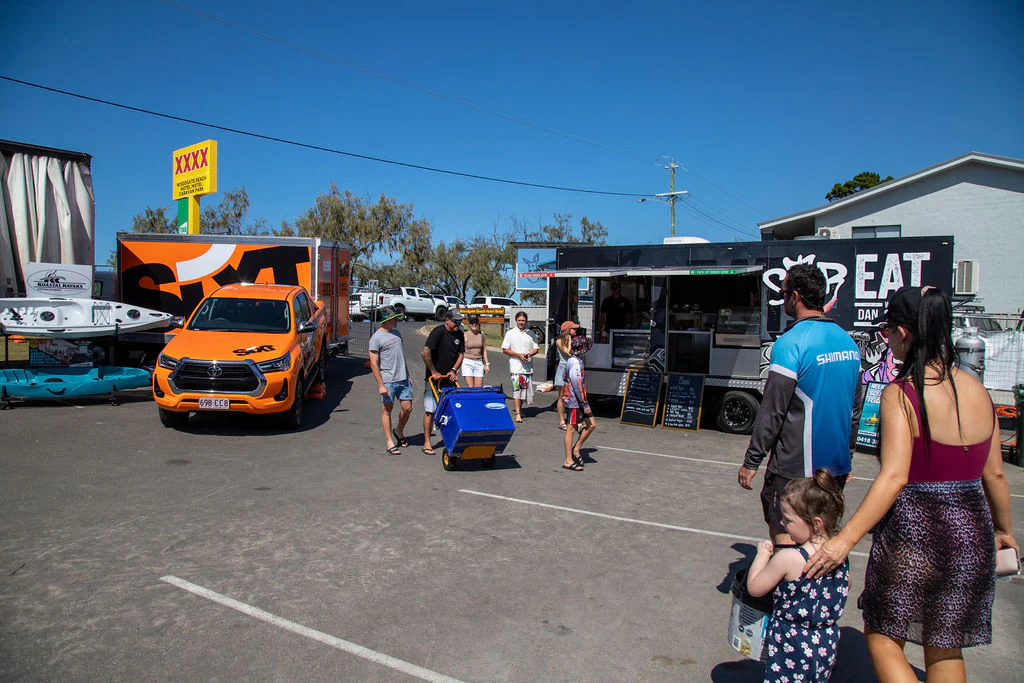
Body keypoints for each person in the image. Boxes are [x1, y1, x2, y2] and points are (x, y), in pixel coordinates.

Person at [804, 286, 1019, 683]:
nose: (886, 340)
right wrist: (1004, 530)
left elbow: (894, 476)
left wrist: (844, 540)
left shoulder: (900, 394)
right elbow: (995, 474)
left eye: (887, 331)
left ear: (903, 333)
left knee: (883, 636)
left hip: (915, 536)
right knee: (945, 645)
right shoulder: (978, 391)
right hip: (971, 535)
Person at [737, 263, 861, 547]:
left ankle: (786, 575)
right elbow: (854, 411)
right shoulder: (848, 343)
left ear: (795, 296)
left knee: (785, 535)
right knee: (821, 539)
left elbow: (773, 410)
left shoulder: (791, 343)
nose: (783, 300)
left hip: (795, 469)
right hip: (834, 469)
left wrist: (752, 461)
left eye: (783, 294)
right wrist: (848, 456)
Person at [746, 469, 850, 683]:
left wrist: (762, 555)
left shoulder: (790, 558)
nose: (782, 524)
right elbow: (846, 584)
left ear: (816, 523)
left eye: (788, 520)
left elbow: (755, 587)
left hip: (791, 642)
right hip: (825, 642)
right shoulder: (839, 556)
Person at [368, 306, 413, 455]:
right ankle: (389, 442)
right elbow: (374, 363)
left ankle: (398, 430)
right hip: (388, 381)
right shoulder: (376, 338)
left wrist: (408, 375)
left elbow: (401, 356)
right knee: (387, 410)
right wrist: (381, 385)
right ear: (387, 320)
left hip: (403, 379)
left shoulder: (397, 333)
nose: (397, 320)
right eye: (394, 318)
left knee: (407, 408)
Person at [421, 309, 465, 455]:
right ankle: (427, 442)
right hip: (434, 379)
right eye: (456, 321)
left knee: (452, 409)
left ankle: (452, 438)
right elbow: (425, 352)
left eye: (460, 321)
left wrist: (454, 370)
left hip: (449, 378)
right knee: (430, 410)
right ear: (447, 320)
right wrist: (433, 371)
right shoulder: (438, 332)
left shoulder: (459, 334)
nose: (458, 324)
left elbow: (460, 354)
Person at [561, 334, 596, 471]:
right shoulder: (575, 362)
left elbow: (565, 376)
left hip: (578, 400)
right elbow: (577, 384)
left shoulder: (574, 360)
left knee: (591, 425)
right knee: (571, 429)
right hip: (575, 401)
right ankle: (568, 460)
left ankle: (576, 449)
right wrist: (584, 404)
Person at [501, 311, 539, 423]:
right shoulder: (510, 333)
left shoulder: (531, 334)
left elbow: (536, 348)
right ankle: (518, 414)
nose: (521, 322)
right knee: (517, 389)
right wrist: (518, 355)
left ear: (526, 321)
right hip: (515, 367)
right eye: (519, 320)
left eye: (523, 320)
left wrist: (529, 354)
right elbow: (505, 349)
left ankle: (520, 409)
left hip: (527, 368)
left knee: (523, 391)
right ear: (516, 321)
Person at [554, 320, 579, 430]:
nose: (576, 330)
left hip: (572, 370)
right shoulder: (559, 341)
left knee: (573, 397)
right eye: (573, 328)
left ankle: (574, 420)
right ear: (568, 330)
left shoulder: (574, 340)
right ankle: (561, 421)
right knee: (561, 397)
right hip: (563, 369)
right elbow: (568, 352)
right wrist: (569, 339)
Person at [461, 313, 490, 388]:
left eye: (476, 322)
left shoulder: (481, 335)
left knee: (478, 388)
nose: (474, 324)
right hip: (467, 362)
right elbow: (460, 352)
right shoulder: (465, 335)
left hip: (479, 362)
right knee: (470, 387)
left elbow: (484, 351)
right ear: (469, 324)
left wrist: (487, 364)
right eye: (472, 322)